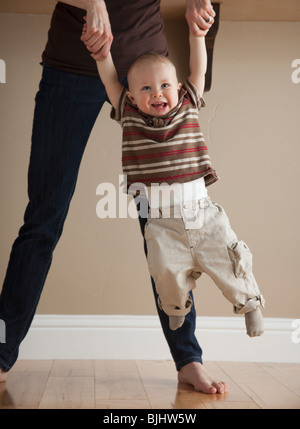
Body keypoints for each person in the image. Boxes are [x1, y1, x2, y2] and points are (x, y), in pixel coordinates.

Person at [0, 0, 228, 395]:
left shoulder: (160, 86)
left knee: (165, 226)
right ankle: (1, 355)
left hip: (146, 64)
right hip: (70, 64)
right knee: (43, 218)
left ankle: (188, 359)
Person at [93, 14, 265, 335]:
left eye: (164, 85)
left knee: (230, 263)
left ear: (177, 88)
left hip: (203, 215)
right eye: (146, 88)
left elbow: (198, 71)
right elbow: (109, 82)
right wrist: (103, 56)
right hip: (160, 223)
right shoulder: (129, 114)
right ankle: (176, 307)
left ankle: (250, 305)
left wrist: (196, 35)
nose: (157, 93)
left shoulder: (187, 105)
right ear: (131, 97)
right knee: (164, 271)